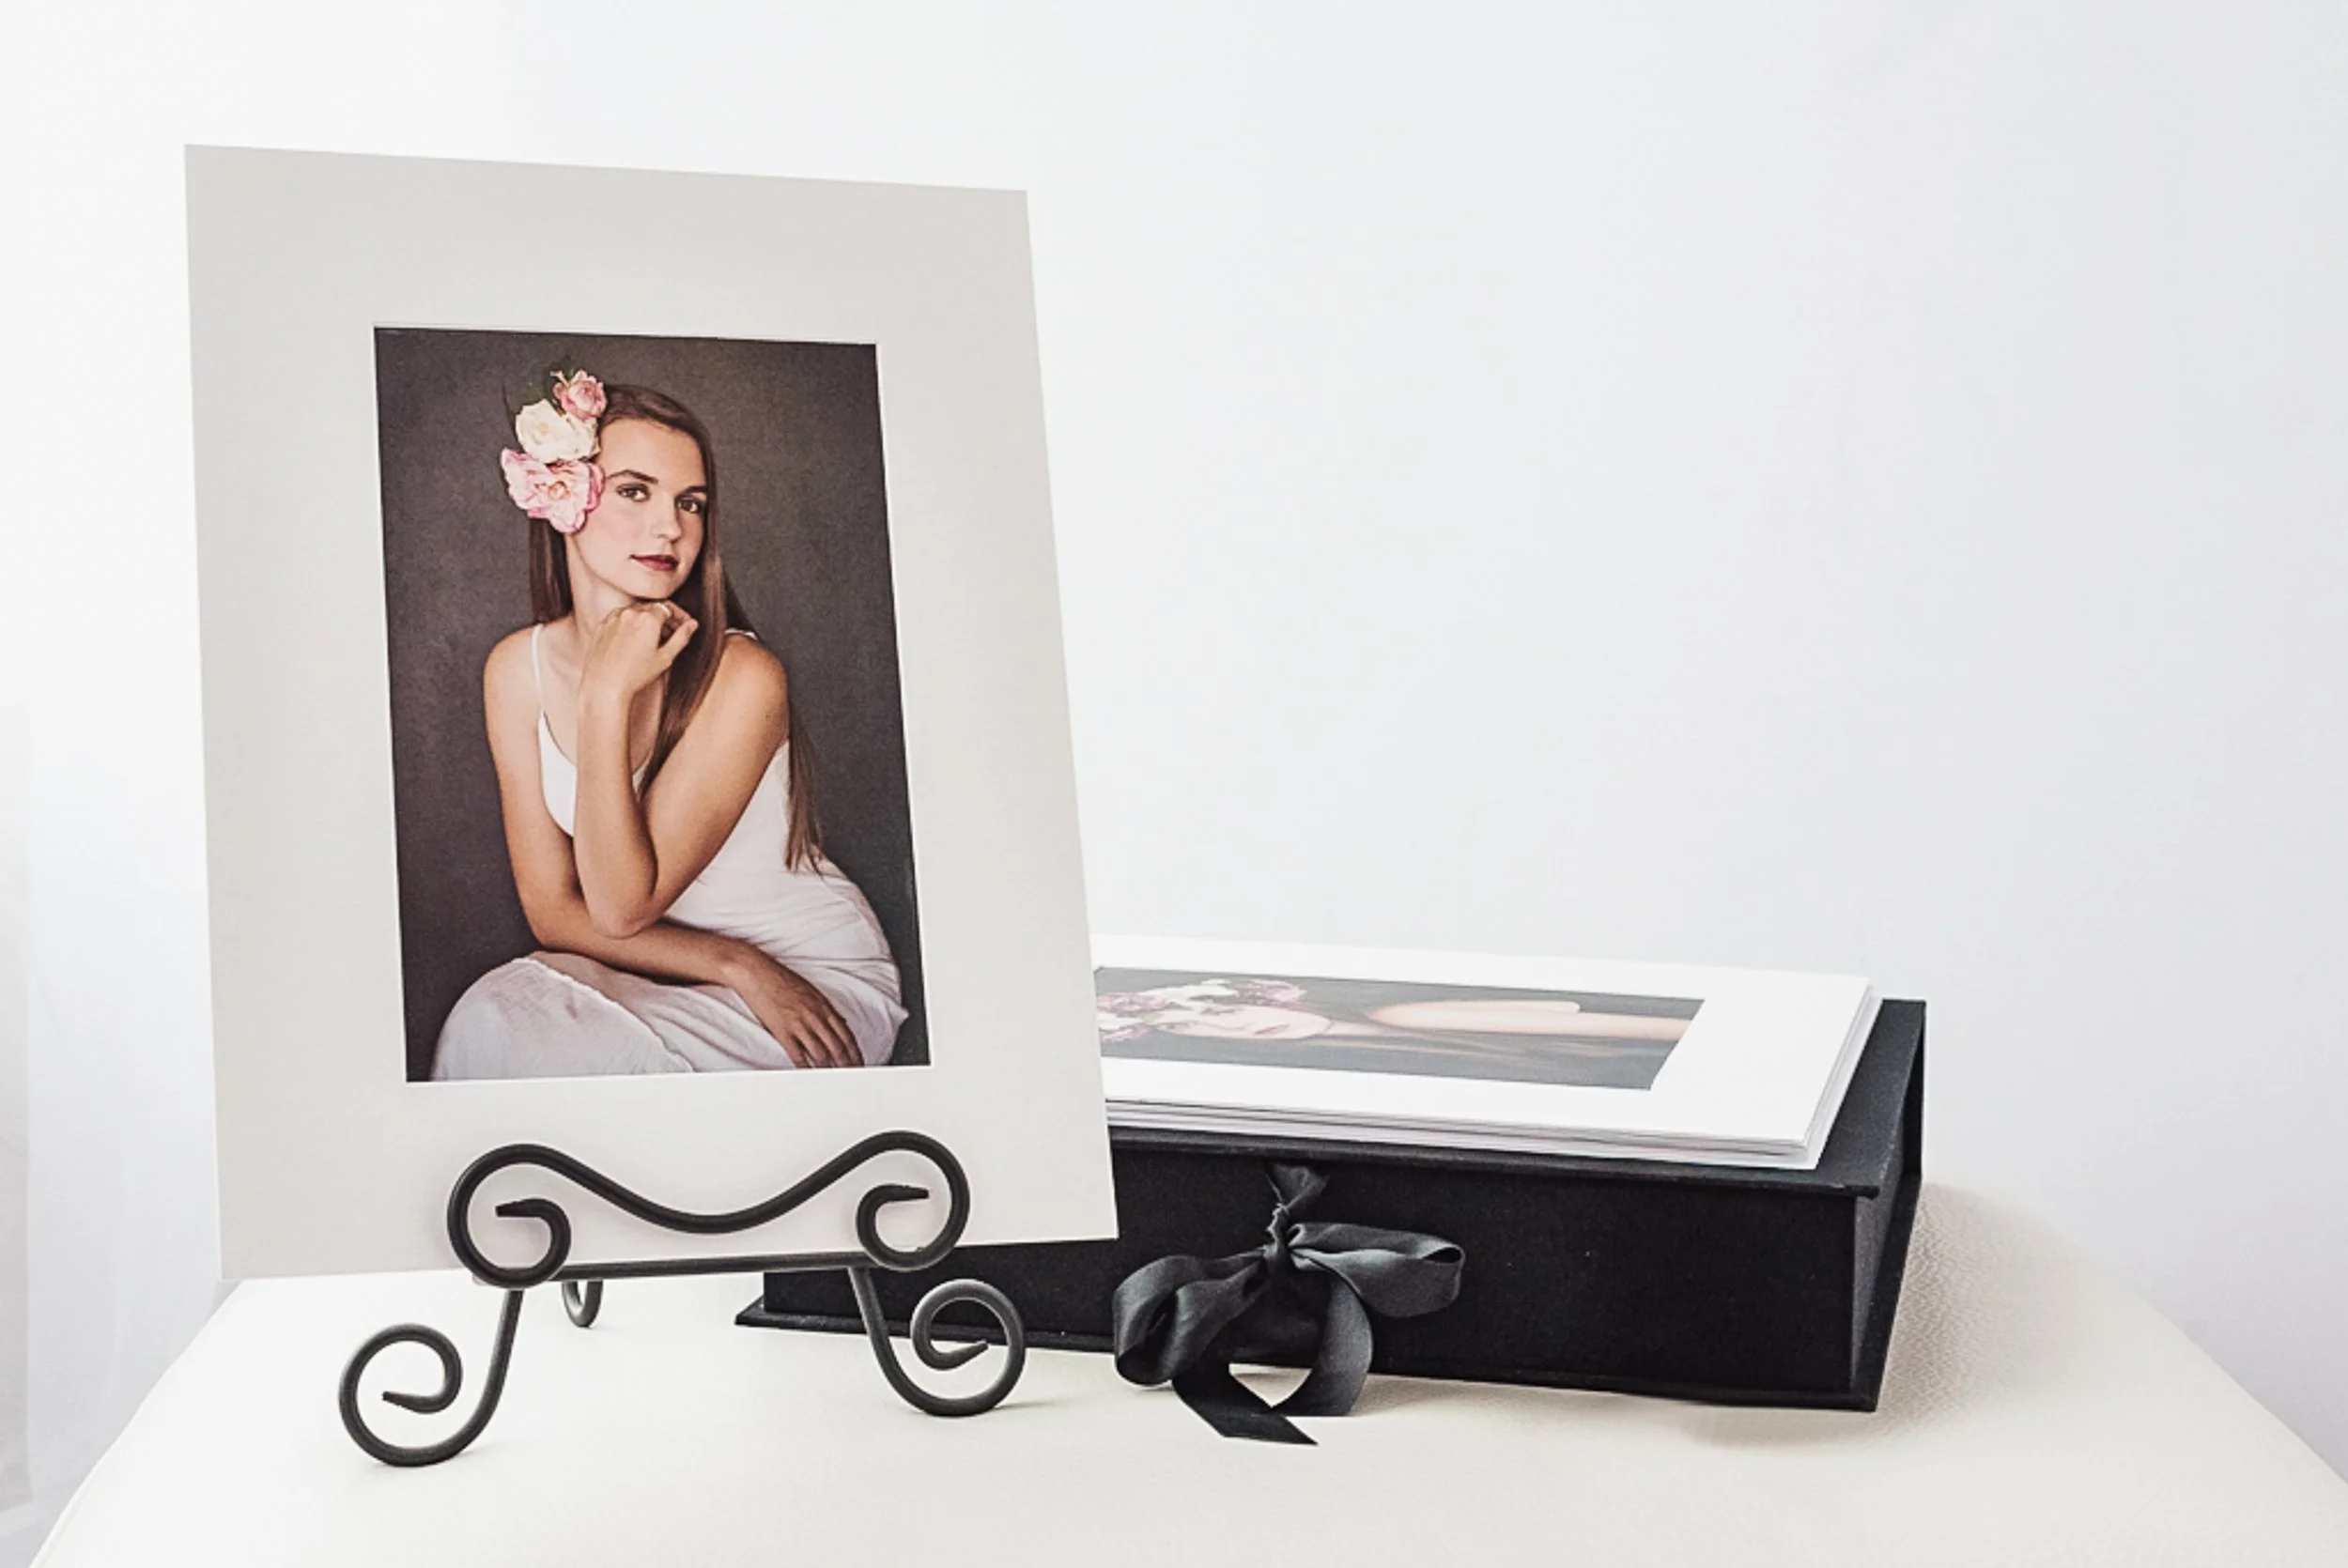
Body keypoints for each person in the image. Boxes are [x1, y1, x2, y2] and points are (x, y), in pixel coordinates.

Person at [432, 372, 905, 1079]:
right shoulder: (515, 670)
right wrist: (734, 962)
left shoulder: (742, 675)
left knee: (575, 1059)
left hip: (811, 981)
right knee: (493, 1019)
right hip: (703, 972)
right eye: (634, 491)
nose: (670, 527)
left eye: (692, 503)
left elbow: (617, 909)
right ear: (564, 496)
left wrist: (603, 701)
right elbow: (554, 912)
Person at [1095, 976, 1691, 1088]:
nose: (1246, 1030)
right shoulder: (1338, 1062)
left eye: (1223, 1011)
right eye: (1204, 1032)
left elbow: (1667, 1030)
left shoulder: (1411, 1018)